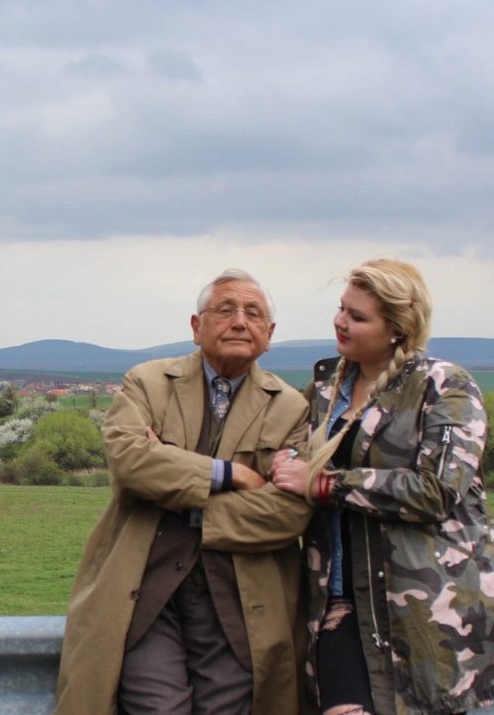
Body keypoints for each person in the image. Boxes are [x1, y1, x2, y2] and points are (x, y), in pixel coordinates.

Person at [56, 269, 314, 715]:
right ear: (197, 327)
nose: (239, 322)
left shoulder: (292, 408)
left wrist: (182, 495)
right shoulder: (147, 383)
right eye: (225, 310)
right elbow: (131, 463)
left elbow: (290, 512)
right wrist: (229, 474)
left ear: (269, 335)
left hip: (240, 598)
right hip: (146, 587)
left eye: (253, 313)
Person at [270, 258, 494, 714]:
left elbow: (437, 491)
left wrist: (325, 485)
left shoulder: (445, 387)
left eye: (358, 317)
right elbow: (283, 452)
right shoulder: (324, 388)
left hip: (428, 609)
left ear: (399, 328)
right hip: (337, 600)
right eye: (341, 309)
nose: (340, 322)